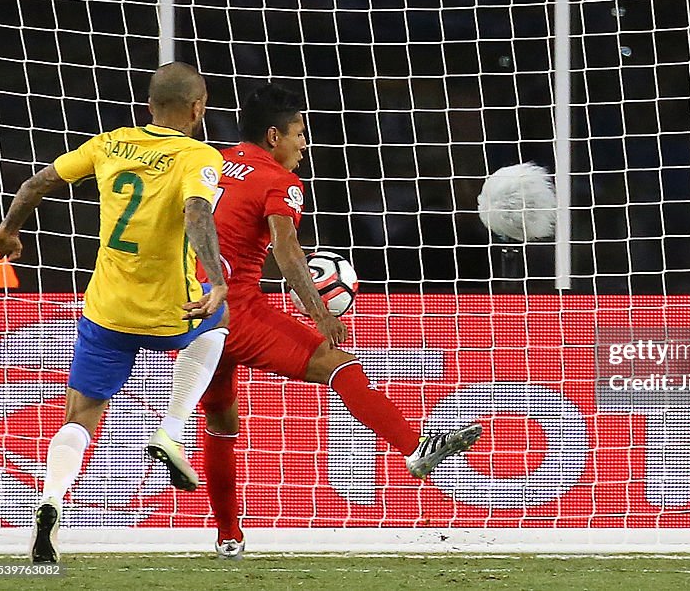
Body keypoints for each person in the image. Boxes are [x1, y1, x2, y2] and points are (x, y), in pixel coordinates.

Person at [200, 83, 480, 559]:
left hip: (188, 310)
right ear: (274, 136)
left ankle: (228, 535)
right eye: (299, 134)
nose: (304, 145)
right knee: (338, 363)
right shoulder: (279, 181)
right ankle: (414, 448)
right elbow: (287, 253)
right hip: (236, 311)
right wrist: (317, 311)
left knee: (221, 418)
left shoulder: (209, 163)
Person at [0, 62, 230, 564]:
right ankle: (171, 429)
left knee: (81, 416)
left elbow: (35, 184)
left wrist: (7, 231)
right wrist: (218, 279)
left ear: (149, 104)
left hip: (107, 309)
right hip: (169, 309)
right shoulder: (198, 155)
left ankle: (49, 504)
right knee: (220, 323)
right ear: (198, 107)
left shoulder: (108, 143)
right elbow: (198, 213)